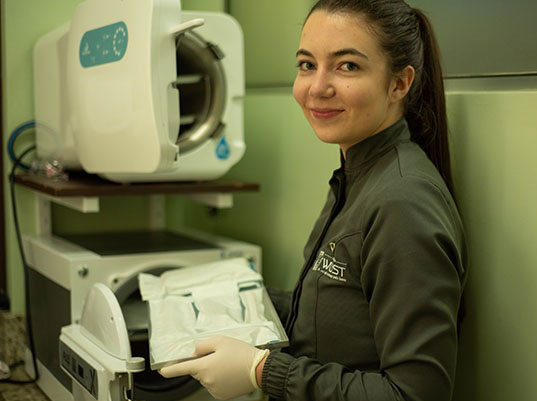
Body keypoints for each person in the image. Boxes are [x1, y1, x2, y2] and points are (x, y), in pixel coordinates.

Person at [159, 1, 468, 400]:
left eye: (347, 66)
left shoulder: (402, 203)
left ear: (399, 84)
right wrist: (237, 301)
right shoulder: (357, 173)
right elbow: (340, 315)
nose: (317, 87)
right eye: (307, 64)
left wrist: (262, 370)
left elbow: (413, 394)